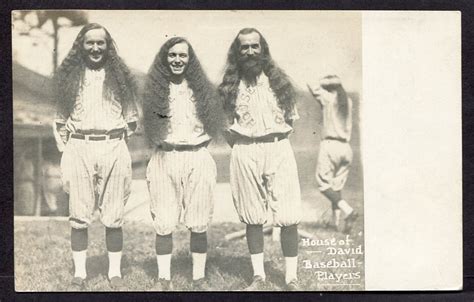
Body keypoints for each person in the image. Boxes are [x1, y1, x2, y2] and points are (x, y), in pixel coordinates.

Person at [53, 23, 139, 291]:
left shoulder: (120, 77)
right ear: (81, 46)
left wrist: (116, 140)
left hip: (113, 145)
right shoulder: (69, 78)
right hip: (79, 147)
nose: (95, 48)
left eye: (100, 43)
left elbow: (132, 119)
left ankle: (114, 273)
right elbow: (58, 121)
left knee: (113, 215)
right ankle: (80, 273)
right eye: (89, 43)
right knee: (79, 214)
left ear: (107, 46)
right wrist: (69, 150)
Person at [218, 28, 302, 291]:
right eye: (245, 47)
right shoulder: (229, 86)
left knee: (289, 216)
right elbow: (225, 126)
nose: (250, 52)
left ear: (263, 50)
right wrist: (246, 145)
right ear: (237, 52)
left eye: (255, 46)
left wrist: (270, 141)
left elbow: (291, 120)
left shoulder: (280, 83)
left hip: (278, 148)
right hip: (245, 150)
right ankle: (258, 276)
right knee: (253, 216)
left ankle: (291, 278)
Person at [143, 37, 223, 291]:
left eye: (183, 56)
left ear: (190, 60)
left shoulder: (203, 90)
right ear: (165, 59)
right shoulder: (155, 89)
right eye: (172, 55)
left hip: (197, 156)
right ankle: (163, 279)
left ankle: (198, 278)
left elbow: (216, 123)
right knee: (164, 221)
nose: (177, 60)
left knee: (198, 220)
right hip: (165, 157)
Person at [307, 75, 358, 233]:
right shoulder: (347, 101)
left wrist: (322, 82)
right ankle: (336, 224)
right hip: (346, 148)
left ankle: (348, 211)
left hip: (330, 145)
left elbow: (311, 83)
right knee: (336, 186)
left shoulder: (327, 98)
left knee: (324, 185)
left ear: (328, 88)